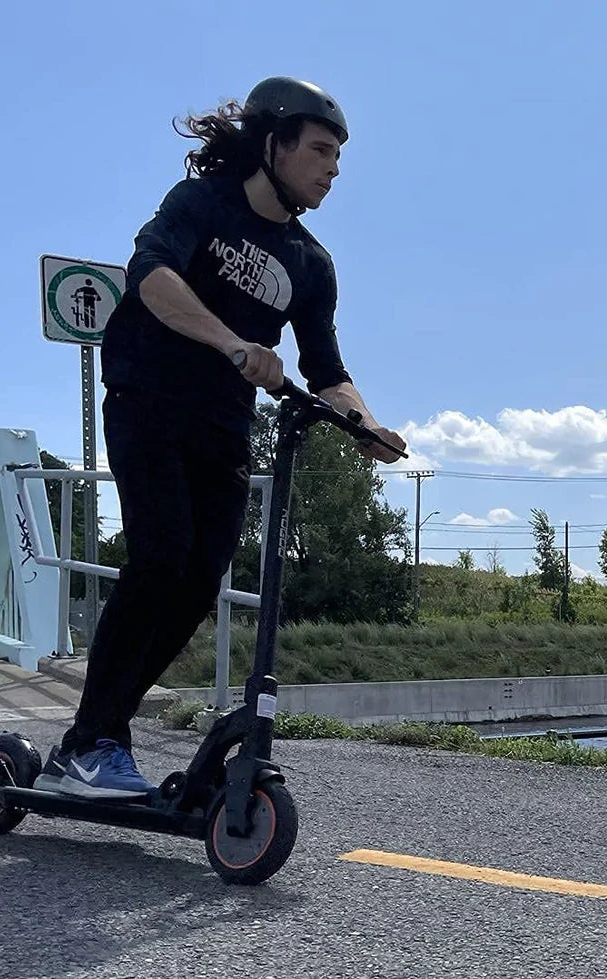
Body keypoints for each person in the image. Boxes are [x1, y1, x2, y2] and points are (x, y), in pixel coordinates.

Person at [35, 76, 407, 799]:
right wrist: (233, 342)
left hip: (222, 423)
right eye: (321, 150)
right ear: (272, 144)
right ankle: (93, 743)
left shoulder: (311, 263)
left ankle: (94, 734)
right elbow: (150, 277)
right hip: (149, 396)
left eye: (339, 156)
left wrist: (365, 426)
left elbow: (327, 368)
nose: (333, 169)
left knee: (199, 580)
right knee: (160, 556)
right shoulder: (201, 203)